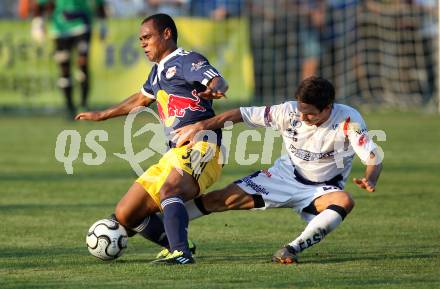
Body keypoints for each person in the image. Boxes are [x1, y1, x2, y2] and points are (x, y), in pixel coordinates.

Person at [174, 76, 383, 264]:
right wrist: (202, 127)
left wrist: (370, 178)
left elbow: (373, 156)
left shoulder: (349, 120)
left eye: (309, 114)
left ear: (328, 108)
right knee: (219, 199)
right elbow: (242, 114)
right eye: (301, 111)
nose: (302, 118)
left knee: (344, 201)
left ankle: (291, 249)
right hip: (283, 177)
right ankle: (161, 226)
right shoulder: (288, 111)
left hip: (322, 189)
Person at [75, 13, 228, 265]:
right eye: (140, 40)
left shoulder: (187, 60)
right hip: (174, 153)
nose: (143, 43)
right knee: (126, 214)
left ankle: (180, 254)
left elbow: (216, 78)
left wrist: (217, 86)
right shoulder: (157, 71)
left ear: (166, 34)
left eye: (147, 37)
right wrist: (103, 115)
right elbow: (139, 99)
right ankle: (175, 242)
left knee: (170, 189)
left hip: (203, 145)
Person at [32, 0, 107, 118]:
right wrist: (37, 23)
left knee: (82, 63)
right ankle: (69, 107)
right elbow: (40, 4)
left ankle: (83, 105)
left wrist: (103, 23)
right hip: (60, 29)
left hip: (82, 25)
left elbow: (99, 3)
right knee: (64, 69)